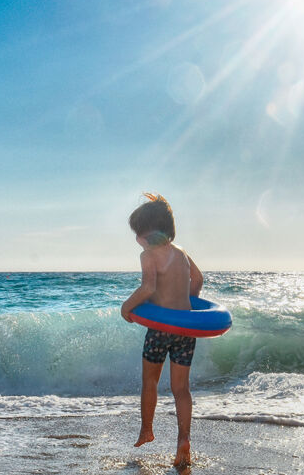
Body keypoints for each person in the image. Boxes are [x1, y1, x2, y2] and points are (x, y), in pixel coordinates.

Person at [120, 193, 203, 468]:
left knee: (150, 383)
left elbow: (149, 288)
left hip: (160, 330)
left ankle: (147, 429)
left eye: (138, 234)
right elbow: (198, 279)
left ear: (148, 233)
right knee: (181, 389)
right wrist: (189, 301)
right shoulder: (182, 253)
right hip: (185, 328)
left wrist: (127, 307)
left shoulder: (147, 256)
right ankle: (183, 439)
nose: (136, 239)